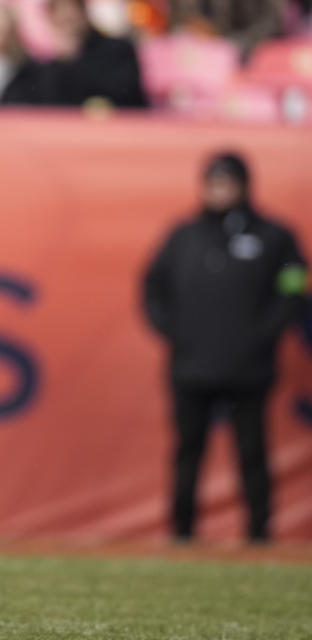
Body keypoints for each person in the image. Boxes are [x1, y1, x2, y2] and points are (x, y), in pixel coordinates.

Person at [143, 151, 307, 543]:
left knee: (252, 451)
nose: (218, 191)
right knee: (188, 451)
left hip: (248, 368)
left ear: (243, 186)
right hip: (191, 365)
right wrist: (175, 331)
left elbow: (292, 286)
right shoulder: (184, 235)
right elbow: (153, 287)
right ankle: (182, 534)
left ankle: (259, 534)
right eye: (212, 183)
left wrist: (262, 334)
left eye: (226, 183)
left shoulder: (274, 236)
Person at [37, 0, 147, 108]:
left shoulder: (118, 50)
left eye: (70, 19)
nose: (68, 26)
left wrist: (74, 59)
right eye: (61, 21)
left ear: (83, 13)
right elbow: (43, 102)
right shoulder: (41, 64)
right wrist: (62, 61)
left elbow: (124, 95)